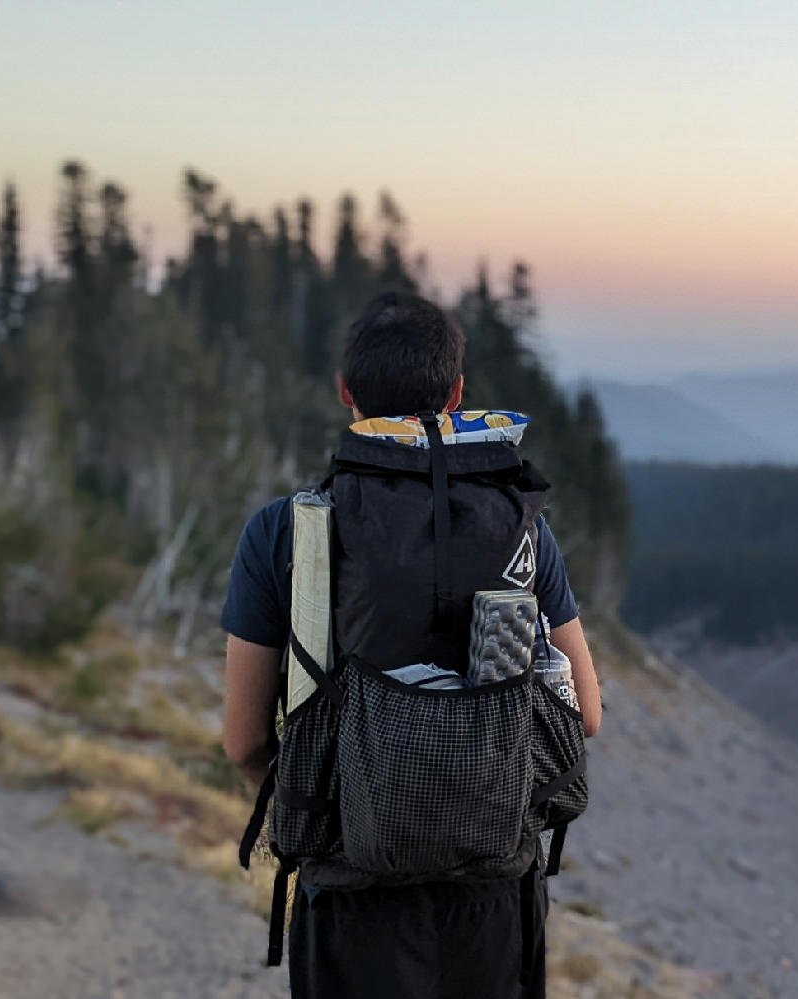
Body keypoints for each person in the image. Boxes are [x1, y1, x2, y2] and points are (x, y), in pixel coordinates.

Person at [220, 292, 602, 998]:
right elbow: (584, 715)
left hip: (349, 893)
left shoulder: (285, 531)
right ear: (457, 394)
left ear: (345, 395)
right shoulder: (517, 525)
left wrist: (325, 806)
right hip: (494, 894)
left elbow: (244, 740)